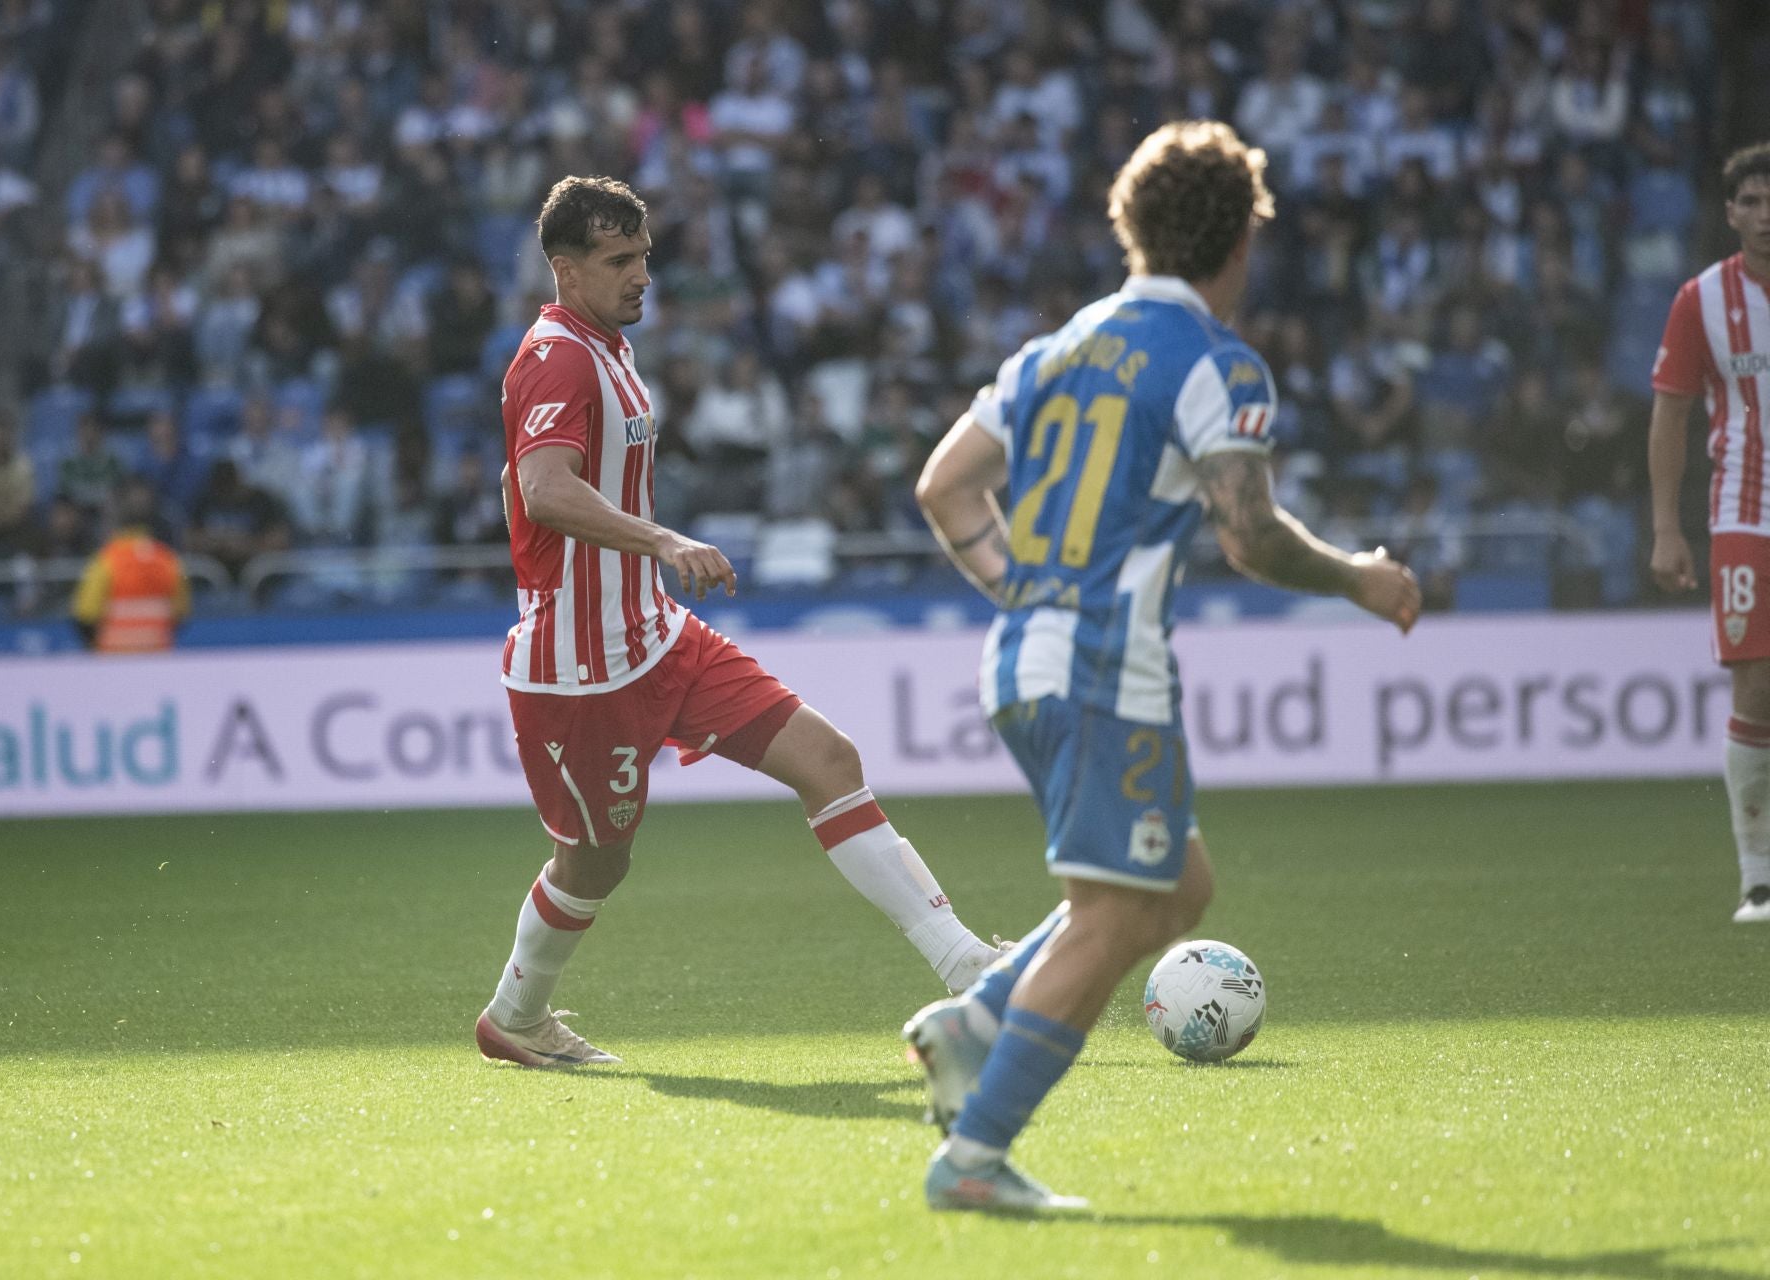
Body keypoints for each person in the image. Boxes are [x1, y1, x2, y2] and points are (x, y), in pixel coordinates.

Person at [902, 121, 1421, 1212]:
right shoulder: (1214, 363)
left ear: (1131, 229)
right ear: (1239, 240)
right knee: (1109, 914)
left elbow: (946, 488)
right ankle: (976, 1155)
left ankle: (972, 1018)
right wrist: (1360, 578)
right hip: (1102, 665)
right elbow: (1251, 532)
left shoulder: (1055, 349)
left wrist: (1026, 591)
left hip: (1026, 652)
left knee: (1175, 885)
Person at [476, 176, 1003, 1069]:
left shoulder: (607, 348)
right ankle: (515, 1018)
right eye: (619, 261)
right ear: (565, 270)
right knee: (596, 865)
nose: (644, 275)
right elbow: (543, 489)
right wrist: (662, 538)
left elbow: (518, 482)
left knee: (828, 760)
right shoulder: (559, 357)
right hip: (581, 672)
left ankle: (973, 970)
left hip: (657, 636)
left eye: (645, 255)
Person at [1649, 140, 1770, 925]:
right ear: (1730, 213)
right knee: (1756, 683)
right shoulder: (1701, 299)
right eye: (1752, 203)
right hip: (1744, 511)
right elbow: (1672, 413)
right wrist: (1666, 527)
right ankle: (1758, 877)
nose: (1766, 217)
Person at [71, 480, 190, 654]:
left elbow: (86, 614)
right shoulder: (168, 560)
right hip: (157, 660)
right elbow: (181, 612)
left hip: (114, 660)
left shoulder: (106, 561)